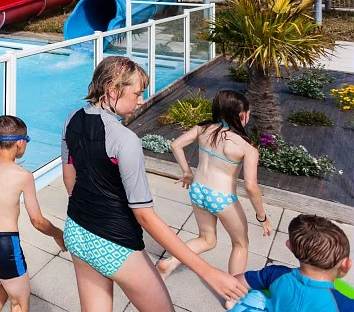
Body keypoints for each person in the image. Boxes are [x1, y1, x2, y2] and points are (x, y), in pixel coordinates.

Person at [61, 56, 246, 312]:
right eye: (137, 93)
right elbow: (145, 217)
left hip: (77, 232)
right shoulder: (125, 140)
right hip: (115, 243)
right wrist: (208, 272)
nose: (141, 100)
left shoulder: (72, 118)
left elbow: (70, 181)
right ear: (112, 90)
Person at [157, 90, 272, 278]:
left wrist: (187, 172)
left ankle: (170, 263)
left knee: (207, 239)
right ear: (242, 115)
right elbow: (251, 186)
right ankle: (233, 295)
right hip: (222, 198)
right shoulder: (246, 145)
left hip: (198, 192)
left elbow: (175, 145)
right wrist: (262, 217)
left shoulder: (203, 129)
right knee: (241, 244)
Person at [0, 115, 65, 312]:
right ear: (19, 143)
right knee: (19, 300)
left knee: (6, 283)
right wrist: (58, 234)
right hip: (5, 246)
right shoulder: (23, 176)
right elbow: (37, 220)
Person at [231, 214, 352, 312]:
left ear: (290, 247)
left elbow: (234, 283)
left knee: (255, 297)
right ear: (347, 265)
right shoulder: (345, 305)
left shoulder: (275, 274)